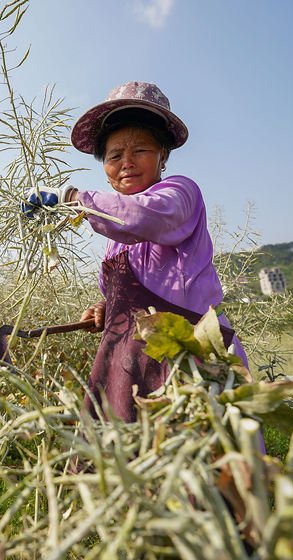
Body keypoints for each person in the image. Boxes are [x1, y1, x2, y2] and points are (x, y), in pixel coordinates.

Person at [59, 81, 248, 423]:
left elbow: (144, 217)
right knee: (128, 463)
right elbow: (129, 292)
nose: (126, 163)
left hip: (190, 356)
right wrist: (105, 309)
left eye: (140, 150)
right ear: (105, 168)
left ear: (163, 155)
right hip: (131, 364)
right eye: (114, 156)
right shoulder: (113, 231)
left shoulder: (179, 193)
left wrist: (73, 200)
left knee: (198, 461)